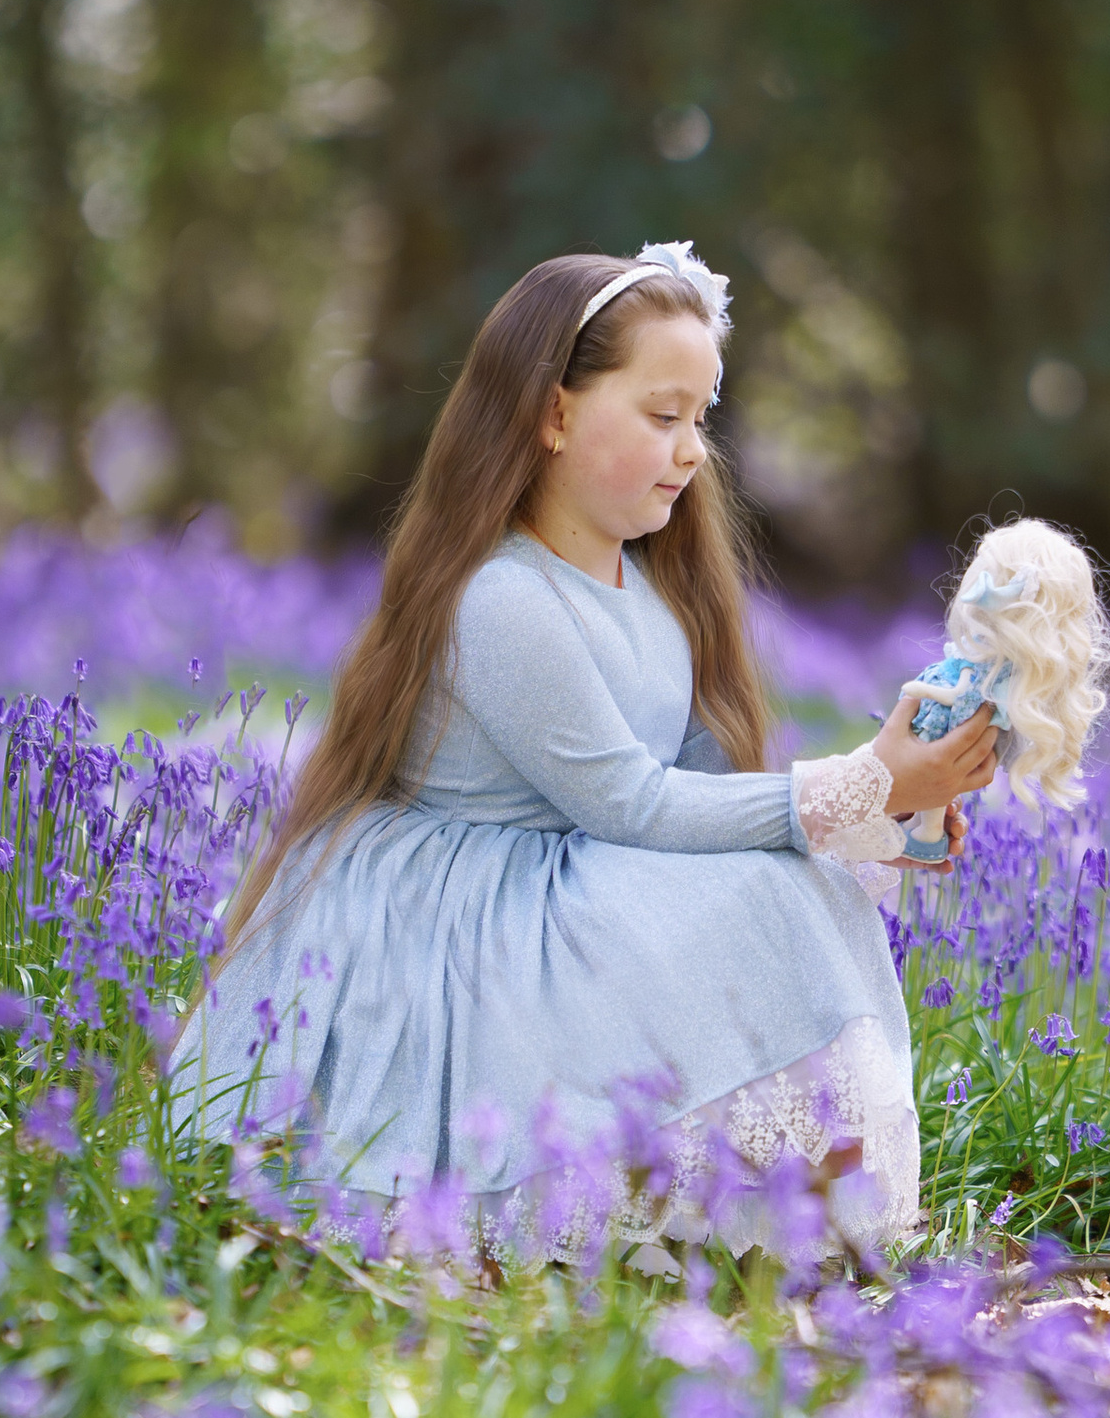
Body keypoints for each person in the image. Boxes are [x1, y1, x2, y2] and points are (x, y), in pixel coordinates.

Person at [171, 241, 997, 1228]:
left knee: (787, 886)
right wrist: (858, 784)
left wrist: (880, 821)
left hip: (569, 883)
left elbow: (698, 796)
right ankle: (635, 1205)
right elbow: (628, 805)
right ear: (554, 414)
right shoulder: (503, 599)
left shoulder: (652, 594)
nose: (692, 451)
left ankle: (780, 1206)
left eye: (700, 419)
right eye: (662, 417)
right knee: (767, 893)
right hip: (458, 926)